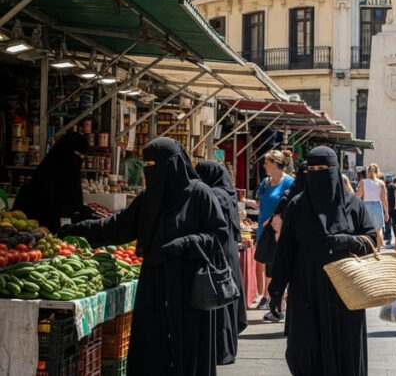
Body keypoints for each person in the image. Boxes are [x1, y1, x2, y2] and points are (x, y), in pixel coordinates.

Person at [64, 138, 230, 375]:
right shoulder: (149, 197)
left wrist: (187, 243)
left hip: (188, 284)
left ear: (173, 164)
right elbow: (118, 227)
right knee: (151, 345)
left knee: (187, 347)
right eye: (147, 165)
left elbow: (219, 234)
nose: (149, 171)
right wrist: (76, 230)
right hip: (154, 282)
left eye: (155, 164)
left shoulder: (199, 194)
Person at [268, 146, 377, 375]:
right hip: (306, 289)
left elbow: (372, 241)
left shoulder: (353, 205)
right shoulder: (298, 205)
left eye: (323, 168)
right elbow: (285, 250)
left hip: (345, 293)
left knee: (344, 351)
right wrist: (276, 289)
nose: (317, 174)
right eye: (313, 169)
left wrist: (348, 241)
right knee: (303, 350)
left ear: (335, 170)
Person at [195, 161, 248, 364]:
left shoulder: (215, 195)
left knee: (219, 301)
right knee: (226, 299)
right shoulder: (228, 193)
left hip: (219, 254)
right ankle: (227, 348)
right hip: (229, 252)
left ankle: (221, 350)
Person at [13, 132, 93, 233]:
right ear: (65, 151)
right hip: (36, 229)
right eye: (77, 155)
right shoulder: (46, 173)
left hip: (61, 230)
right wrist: (73, 210)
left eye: (82, 157)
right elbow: (46, 206)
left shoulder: (72, 173)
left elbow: (74, 201)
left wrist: (79, 210)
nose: (79, 160)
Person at [264, 161, 308, 322]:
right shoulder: (319, 197)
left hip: (287, 246)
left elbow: (276, 222)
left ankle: (280, 309)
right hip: (305, 250)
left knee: (284, 276)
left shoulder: (290, 195)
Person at [255, 150, 295, 310]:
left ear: (274, 163)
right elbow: (259, 204)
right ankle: (267, 296)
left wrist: (275, 219)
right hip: (263, 229)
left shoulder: (289, 182)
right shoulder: (265, 182)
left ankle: (277, 298)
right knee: (266, 261)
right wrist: (243, 202)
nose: (264, 166)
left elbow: (291, 207)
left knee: (278, 263)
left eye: (266, 163)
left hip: (279, 230)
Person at [355, 163, 388, 249]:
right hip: (377, 205)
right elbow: (384, 199)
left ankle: (369, 248)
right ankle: (378, 249)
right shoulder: (381, 183)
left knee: (366, 229)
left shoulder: (363, 182)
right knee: (378, 229)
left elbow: (359, 195)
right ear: (377, 171)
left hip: (366, 205)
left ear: (367, 172)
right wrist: (386, 213)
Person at [384, 176, 396, 246]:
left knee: (387, 224)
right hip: (394, 207)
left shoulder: (386, 186)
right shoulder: (394, 186)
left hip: (388, 207)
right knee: (395, 224)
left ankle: (388, 239)